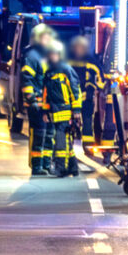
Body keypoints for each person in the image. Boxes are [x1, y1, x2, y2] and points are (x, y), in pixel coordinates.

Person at [40, 40, 82, 177]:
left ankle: (60, 168)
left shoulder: (66, 69)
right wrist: (45, 110)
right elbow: (45, 94)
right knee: (64, 142)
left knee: (60, 142)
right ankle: (73, 167)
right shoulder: (49, 72)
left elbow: (75, 91)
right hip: (55, 113)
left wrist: (76, 111)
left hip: (66, 112)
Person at [22, 23, 56, 175]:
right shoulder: (31, 56)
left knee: (49, 135)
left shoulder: (46, 56)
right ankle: (36, 166)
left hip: (48, 104)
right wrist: (31, 99)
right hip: (36, 103)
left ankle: (46, 164)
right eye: (45, 37)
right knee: (38, 134)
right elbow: (27, 79)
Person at [69, 36, 109, 148]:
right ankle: (87, 145)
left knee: (69, 118)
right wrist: (100, 86)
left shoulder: (69, 59)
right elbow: (100, 75)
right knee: (87, 120)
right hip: (87, 95)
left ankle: (68, 141)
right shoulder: (91, 61)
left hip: (71, 95)